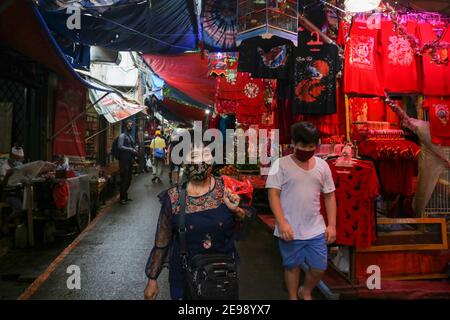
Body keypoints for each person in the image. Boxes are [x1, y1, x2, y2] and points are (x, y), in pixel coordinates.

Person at [144, 141, 255, 300]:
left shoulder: (226, 189)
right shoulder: (173, 198)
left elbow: (247, 218)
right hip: (183, 277)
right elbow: (162, 240)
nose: (200, 161)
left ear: (212, 162)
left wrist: (236, 210)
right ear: (184, 163)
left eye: (205, 155)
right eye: (194, 156)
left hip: (221, 276)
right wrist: (152, 279)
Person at [266, 122, 337, 300]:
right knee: (292, 266)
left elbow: (330, 195)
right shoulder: (280, 165)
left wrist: (332, 225)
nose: (307, 149)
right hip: (290, 228)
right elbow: (273, 194)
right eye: (303, 145)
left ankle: (305, 290)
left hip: (316, 228)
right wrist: (282, 223)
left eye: (311, 146)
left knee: (319, 267)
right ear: (293, 143)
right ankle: (293, 297)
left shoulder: (323, 166)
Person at [0, 146, 25, 235]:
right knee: (19, 209)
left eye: (20, 159)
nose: (18, 161)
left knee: (31, 204)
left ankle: (23, 225)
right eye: (16, 159)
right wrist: (7, 175)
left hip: (19, 191)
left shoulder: (20, 166)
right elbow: (2, 185)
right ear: (11, 157)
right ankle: (5, 222)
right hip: (8, 193)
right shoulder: (4, 167)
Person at [118, 120, 138, 205]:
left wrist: (135, 147)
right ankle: (122, 198)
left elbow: (133, 145)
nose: (130, 127)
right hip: (124, 161)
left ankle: (125, 195)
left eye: (131, 126)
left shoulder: (129, 136)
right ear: (125, 126)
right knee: (124, 180)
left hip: (129, 161)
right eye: (129, 126)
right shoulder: (122, 136)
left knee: (129, 179)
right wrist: (131, 149)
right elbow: (120, 146)